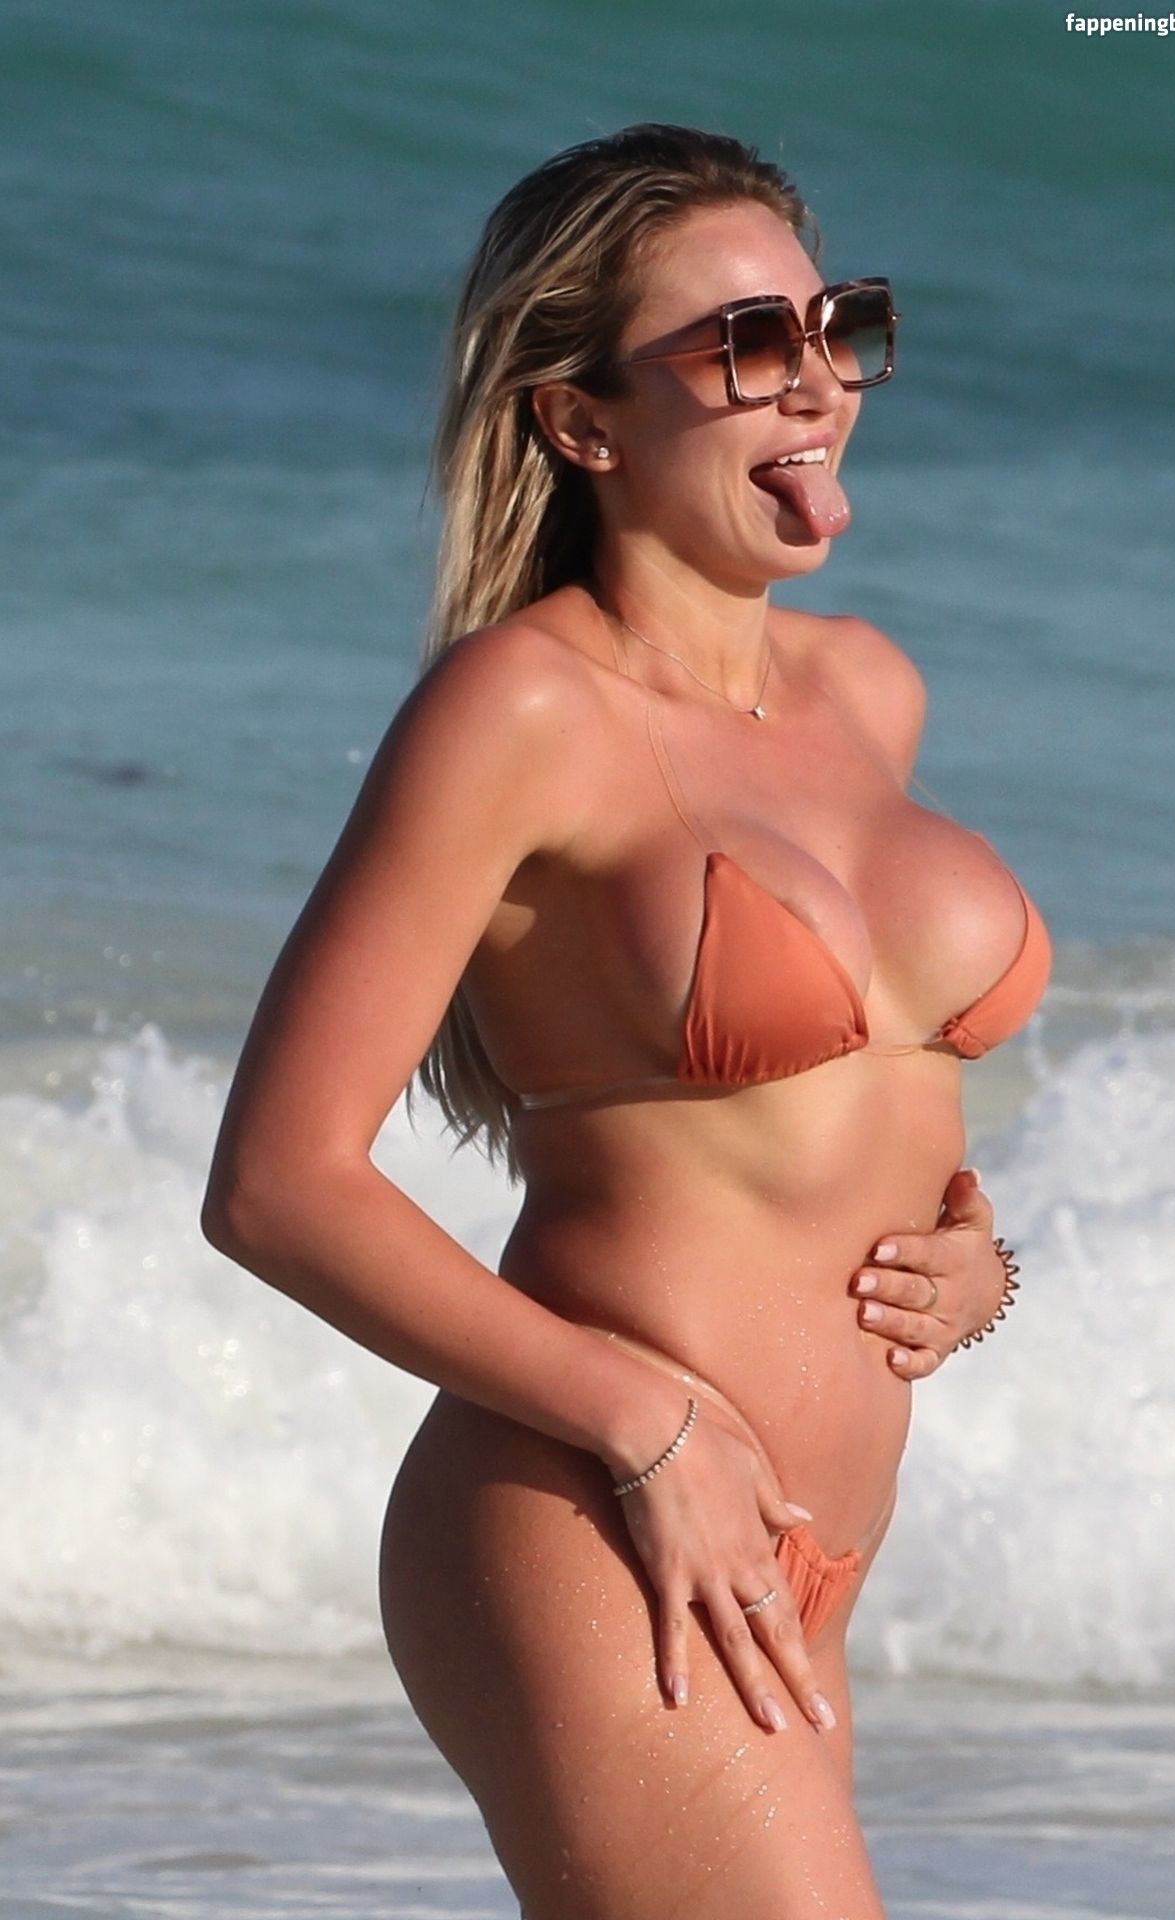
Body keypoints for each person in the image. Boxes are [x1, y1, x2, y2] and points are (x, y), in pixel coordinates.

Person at [202, 123, 1050, 1920]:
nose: (815, 382)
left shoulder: (870, 690)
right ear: (581, 422)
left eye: (832, 328)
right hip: (597, 1517)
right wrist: (644, 1425)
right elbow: (278, 1184)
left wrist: (980, 1269)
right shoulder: (519, 713)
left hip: (799, 1551)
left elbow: (858, 1096)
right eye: (745, 345)